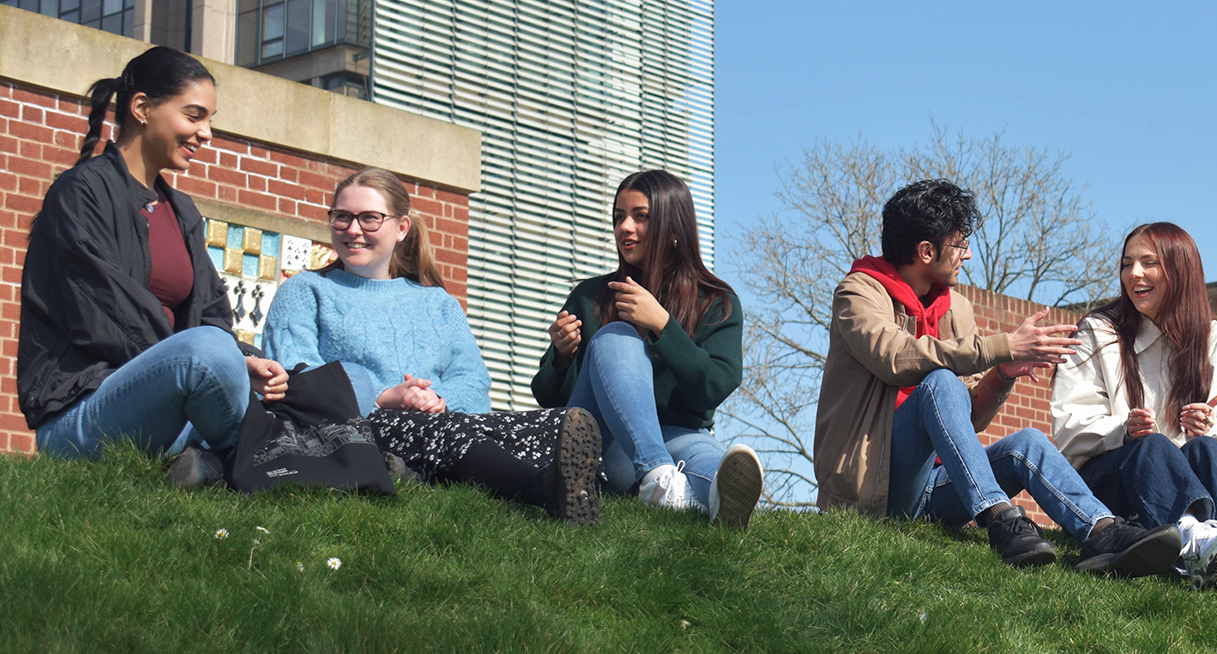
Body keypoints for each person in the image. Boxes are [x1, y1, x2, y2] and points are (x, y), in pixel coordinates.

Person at [813, 179, 1181, 576]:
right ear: (926, 251)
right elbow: (896, 358)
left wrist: (1001, 374)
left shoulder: (955, 308)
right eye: (960, 245)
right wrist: (1003, 346)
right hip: (876, 489)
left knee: (1028, 442)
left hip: (938, 487)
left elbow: (967, 418)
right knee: (940, 381)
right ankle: (999, 518)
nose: (968, 254)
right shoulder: (857, 295)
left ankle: (1102, 532)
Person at [262, 168, 601, 525]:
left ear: (402, 227)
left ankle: (577, 483)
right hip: (356, 428)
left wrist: (438, 400)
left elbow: (473, 381)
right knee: (442, 431)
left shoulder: (439, 304)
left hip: (440, 421)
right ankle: (542, 488)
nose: (353, 229)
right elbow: (295, 374)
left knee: (554, 423)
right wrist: (384, 397)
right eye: (342, 217)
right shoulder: (304, 291)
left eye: (369, 218)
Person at [22, 46, 288, 487]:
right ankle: (275, 461)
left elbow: (211, 316)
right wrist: (218, 360)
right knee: (206, 353)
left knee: (313, 375)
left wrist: (246, 361)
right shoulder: (79, 194)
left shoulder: (182, 212)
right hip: (84, 412)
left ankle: (214, 467)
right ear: (142, 108)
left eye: (210, 120)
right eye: (194, 116)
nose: (206, 133)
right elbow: (109, 316)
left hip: (172, 403)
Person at [1052, 222, 1217, 594]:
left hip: (1194, 482)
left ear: (1180, 270)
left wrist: (1211, 427)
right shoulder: (1098, 332)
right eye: (1127, 264)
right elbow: (1068, 428)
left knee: (1205, 447)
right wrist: (1122, 429)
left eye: (1148, 263)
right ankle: (1195, 538)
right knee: (1152, 445)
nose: (1134, 274)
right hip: (1111, 489)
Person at [530, 170, 762, 529]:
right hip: (605, 444)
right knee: (615, 337)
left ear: (674, 227)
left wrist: (663, 326)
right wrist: (562, 356)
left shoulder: (716, 301)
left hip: (684, 435)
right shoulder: (590, 297)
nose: (625, 227)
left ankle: (719, 501)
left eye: (641, 216)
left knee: (710, 462)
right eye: (619, 217)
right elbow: (550, 398)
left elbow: (714, 386)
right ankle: (659, 477)